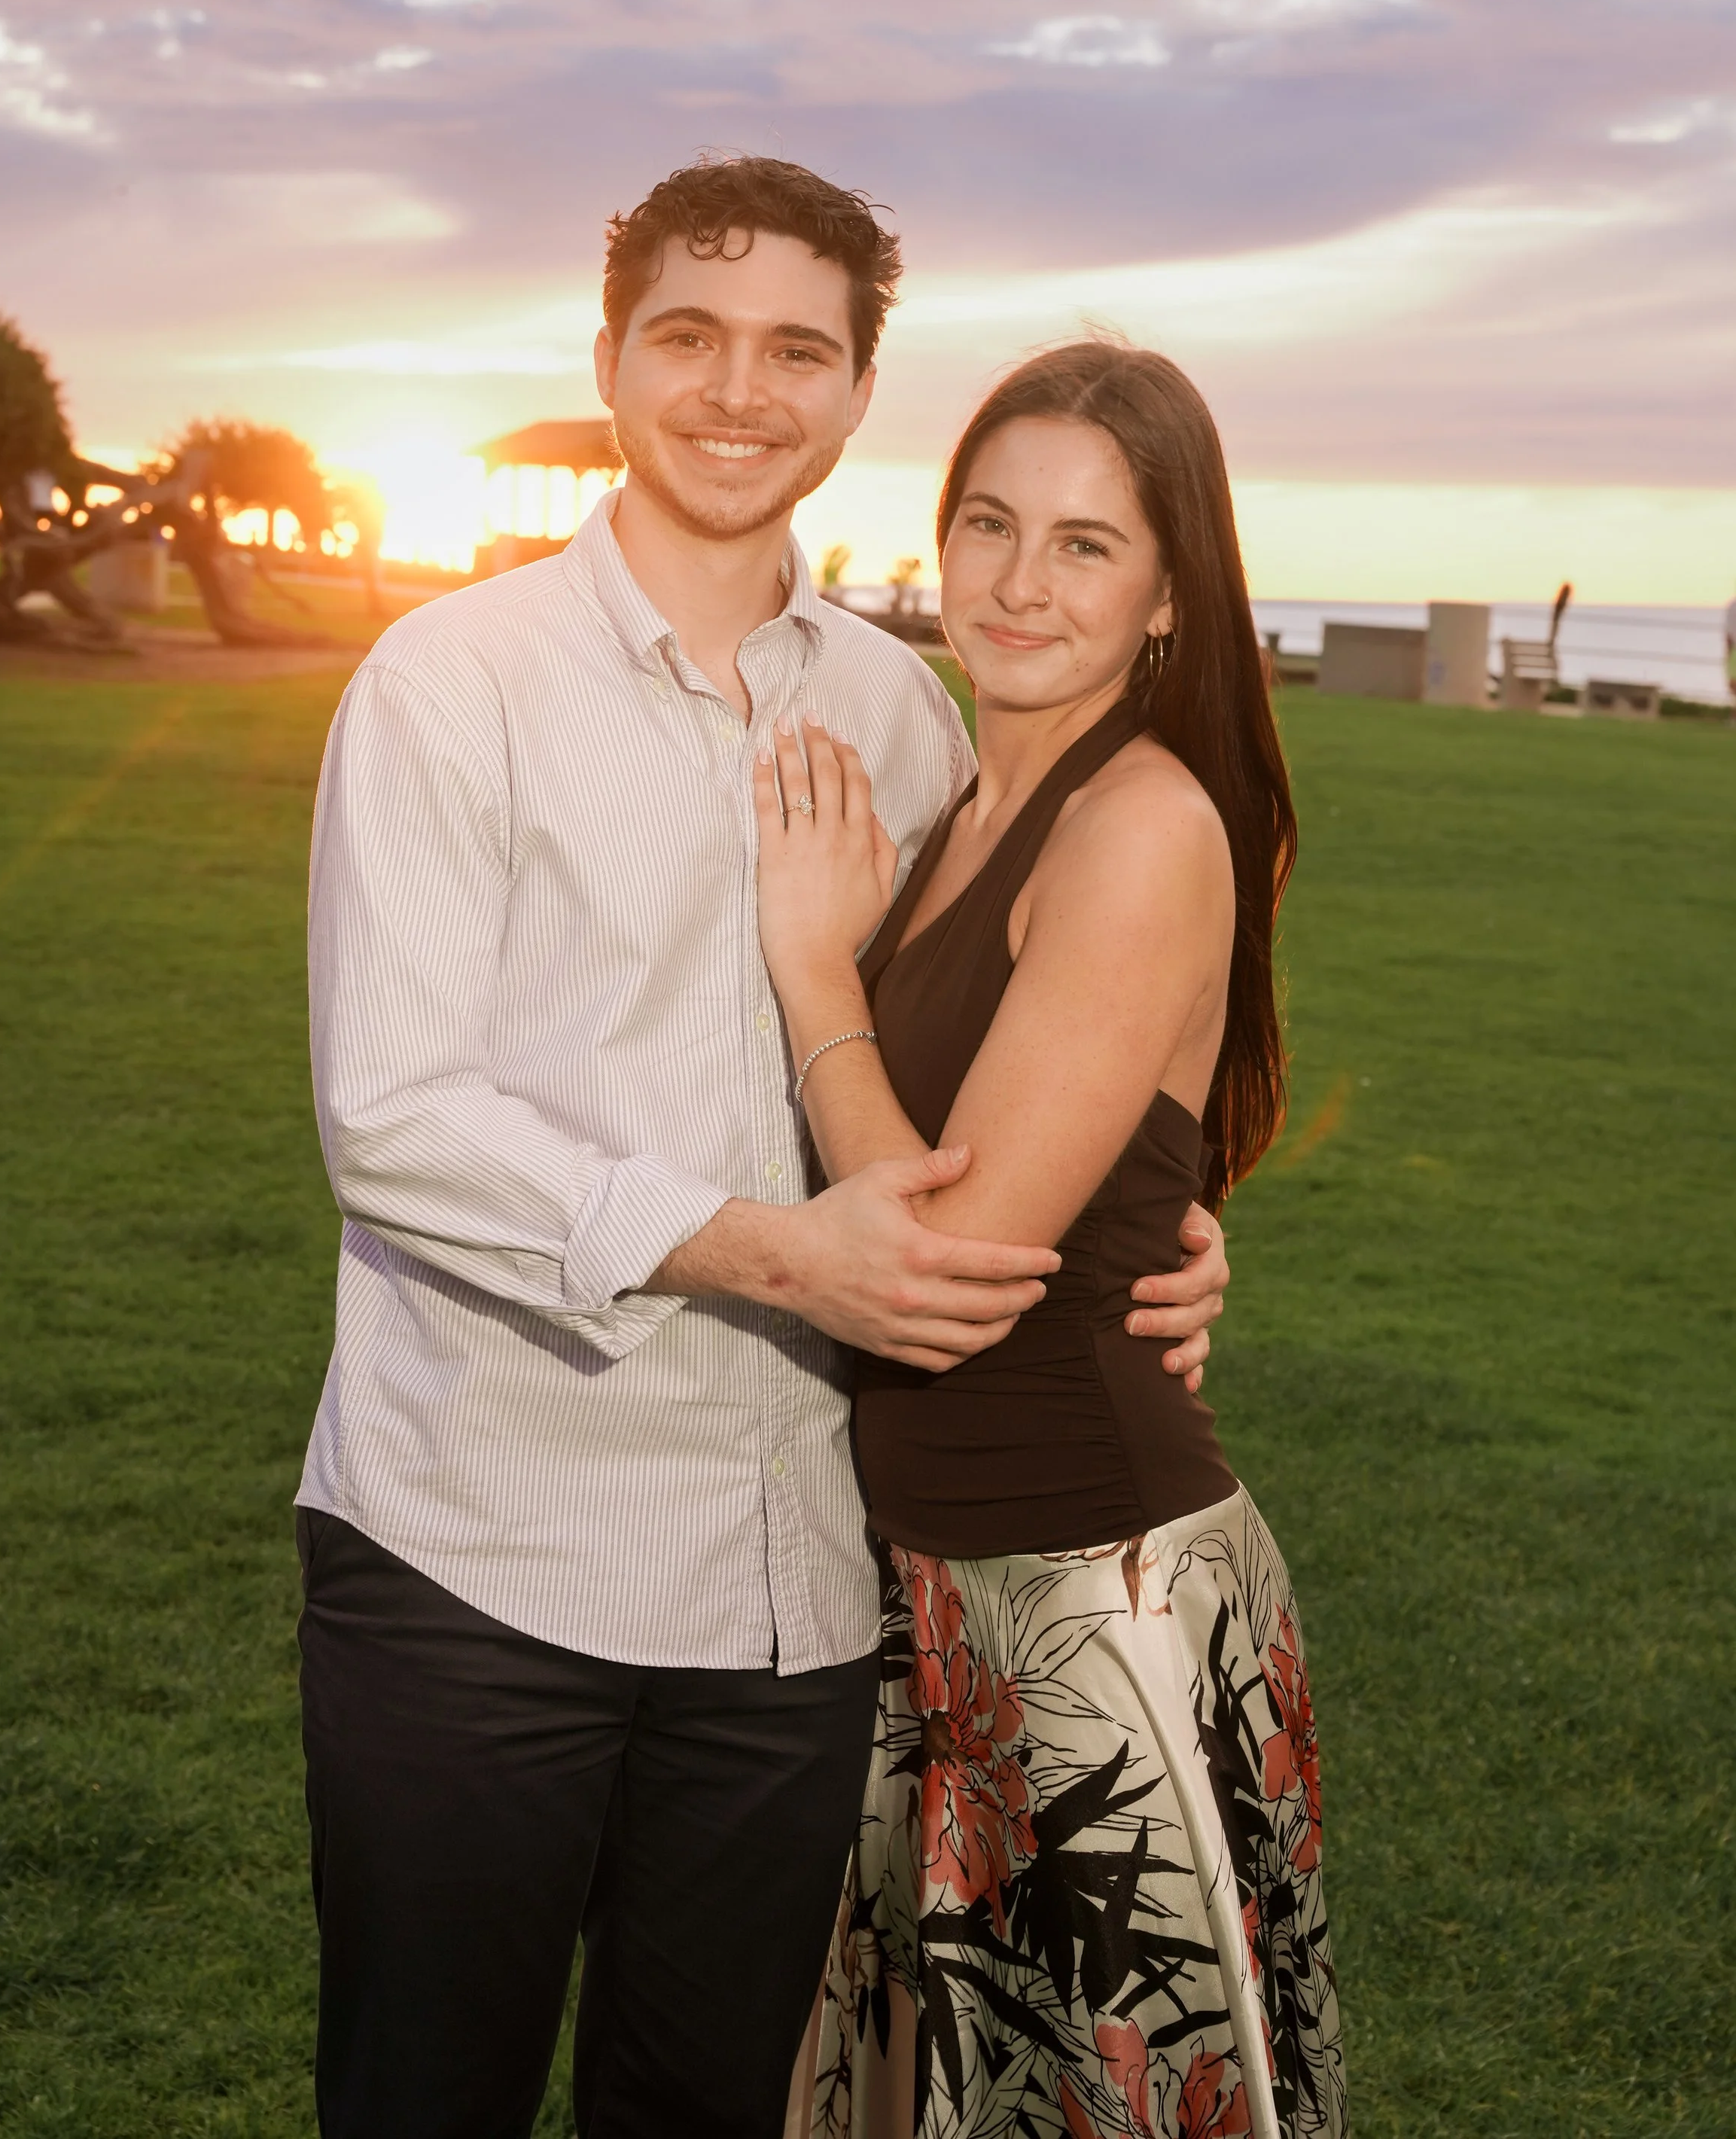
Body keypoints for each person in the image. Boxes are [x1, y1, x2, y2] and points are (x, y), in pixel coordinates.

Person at [294, 160, 1232, 2139]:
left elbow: (1011, 1054)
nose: (740, 390)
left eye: (797, 349)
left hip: (800, 1593)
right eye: (690, 336)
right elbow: (391, 1113)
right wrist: (760, 1248)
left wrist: (1156, 1224)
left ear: (857, 391)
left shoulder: (908, 715)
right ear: (610, 357)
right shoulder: (452, 684)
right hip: (483, 1552)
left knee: (717, 2105)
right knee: (424, 2094)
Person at [756, 340, 1348, 2137]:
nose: (1019, 580)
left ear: (1169, 593)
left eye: (1086, 544)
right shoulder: (956, 801)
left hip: (1093, 1600)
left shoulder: (1140, 823)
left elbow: (937, 1273)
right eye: (989, 522)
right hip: (930, 1592)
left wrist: (811, 971)